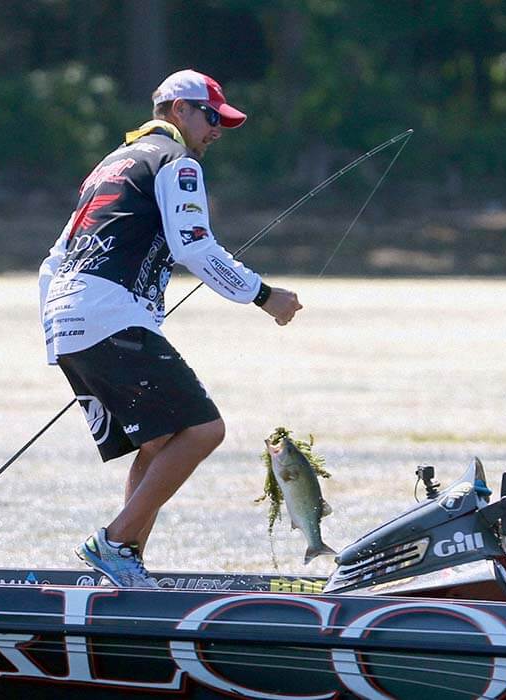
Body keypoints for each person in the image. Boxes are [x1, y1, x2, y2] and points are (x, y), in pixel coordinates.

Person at [38, 69, 302, 588]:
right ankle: (113, 544)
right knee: (205, 430)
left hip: (66, 319)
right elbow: (194, 247)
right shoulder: (175, 163)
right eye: (211, 117)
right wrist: (266, 297)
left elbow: (56, 258)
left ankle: (124, 563)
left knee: (159, 443)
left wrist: (59, 331)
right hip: (109, 316)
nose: (218, 130)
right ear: (178, 110)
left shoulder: (108, 165)